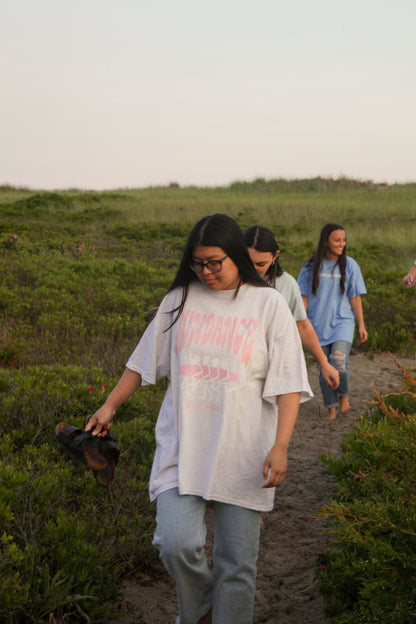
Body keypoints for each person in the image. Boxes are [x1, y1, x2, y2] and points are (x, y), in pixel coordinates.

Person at [86, 213, 312, 624]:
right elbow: (142, 363)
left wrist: (280, 447)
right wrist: (109, 405)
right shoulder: (180, 300)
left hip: (246, 453)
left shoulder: (268, 305)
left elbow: (289, 384)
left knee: (236, 566)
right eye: (198, 263)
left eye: (214, 262)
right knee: (174, 542)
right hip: (184, 446)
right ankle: (202, 607)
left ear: (235, 257)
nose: (205, 272)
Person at [244, 225, 340, 392]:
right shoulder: (228, 281)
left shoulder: (286, 284)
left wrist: (324, 363)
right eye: (247, 262)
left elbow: (302, 326)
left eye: (260, 264)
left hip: (271, 369)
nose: (253, 269)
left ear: (275, 256)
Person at [297, 223, 368, 421]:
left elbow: (355, 297)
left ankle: (343, 396)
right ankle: (331, 407)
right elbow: (303, 296)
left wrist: (361, 324)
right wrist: (300, 322)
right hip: (317, 324)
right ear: (325, 242)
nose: (342, 244)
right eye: (337, 240)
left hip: (343, 323)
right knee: (324, 367)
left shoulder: (350, 265)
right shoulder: (311, 266)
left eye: (343, 240)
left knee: (338, 361)